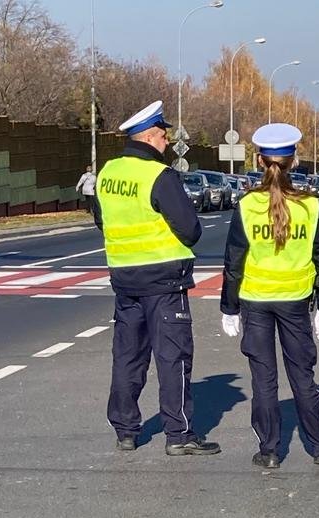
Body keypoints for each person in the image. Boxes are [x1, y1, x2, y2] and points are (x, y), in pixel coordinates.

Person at [93, 100, 220, 456]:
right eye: (164, 136)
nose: (167, 143)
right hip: (164, 280)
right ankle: (178, 434)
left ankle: (126, 430)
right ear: (150, 136)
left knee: (128, 356)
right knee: (173, 357)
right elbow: (191, 230)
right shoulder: (159, 176)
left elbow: (102, 219)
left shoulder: (108, 173)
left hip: (124, 277)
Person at [220, 123, 319, 469]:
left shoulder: (246, 206)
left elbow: (234, 262)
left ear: (259, 161)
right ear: (296, 160)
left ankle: (270, 451)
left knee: (264, 380)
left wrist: (229, 309)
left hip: (255, 302)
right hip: (295, 302)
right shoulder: (310, 207)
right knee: (302, 376)